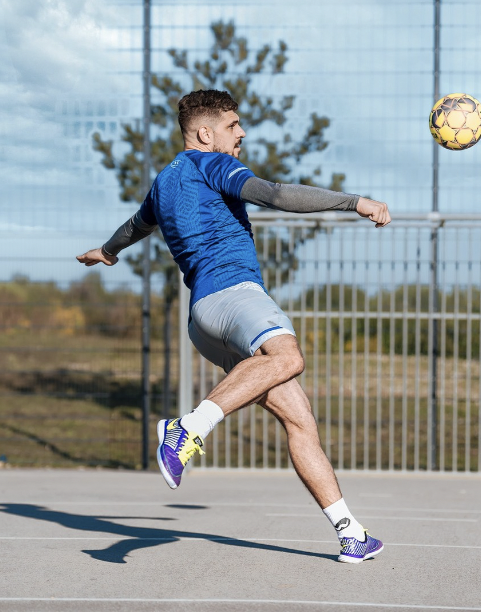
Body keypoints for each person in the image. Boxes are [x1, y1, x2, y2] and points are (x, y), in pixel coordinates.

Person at [77, 89, 391, 564]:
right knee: (288, 356)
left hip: (204, 320)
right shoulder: (212, 164)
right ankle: (187, 428)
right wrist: (354, 201)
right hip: (235, 295)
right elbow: (276, 195)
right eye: (232, 125)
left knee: (299, 420)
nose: (241, 133)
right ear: (205, 134)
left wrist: (106, 252)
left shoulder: (164, 182)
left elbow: (136, 225)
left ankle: (350, 533)